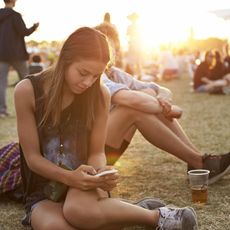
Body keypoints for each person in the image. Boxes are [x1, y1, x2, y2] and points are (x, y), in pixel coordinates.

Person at [14, 27, 198, 230]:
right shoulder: (27, 90)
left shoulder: (100, 94)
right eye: (83, 73)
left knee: (79, 212)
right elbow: (32, 159)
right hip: (43, 191)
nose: (88, 82)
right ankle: (130, 211)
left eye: (96, 75)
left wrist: (101, 172)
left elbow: (96, 152)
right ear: (65, 59)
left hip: (87, 183)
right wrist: (69, 177)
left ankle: (158, 218)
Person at [94, 23, 230, 185]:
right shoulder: (95, 75)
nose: (107, 54)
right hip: (89, 153)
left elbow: (157, 89)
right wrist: (168, 108)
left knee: (146, 98)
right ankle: (199, 162)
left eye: (111, 48)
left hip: (106, 147)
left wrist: (162, 99)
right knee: (134, 108)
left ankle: (196, 160)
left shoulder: (116, 74)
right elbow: (129, 99)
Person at [0, 0, 39, 117]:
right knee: (28, 80)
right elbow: (24, 32)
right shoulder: (16, 16)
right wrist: (34, 27)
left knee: (1, 82)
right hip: (17, 54)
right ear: (13, 1)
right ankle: (36, 108)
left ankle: (1, 110)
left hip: (1, 54)